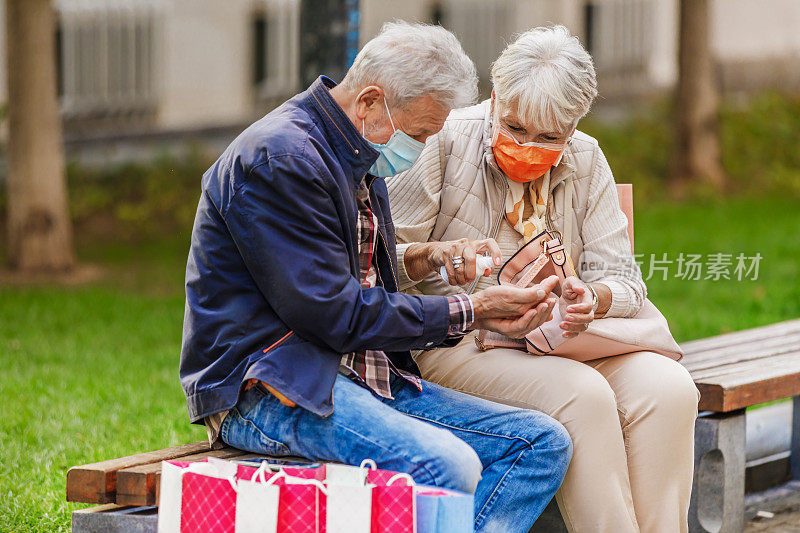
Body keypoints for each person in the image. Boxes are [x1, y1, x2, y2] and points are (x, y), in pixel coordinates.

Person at [180, 22, 573, 532]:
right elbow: (334, 314)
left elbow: (352, 276)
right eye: (421, 134)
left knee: (542, 444)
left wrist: (426, 257)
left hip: (359, 375)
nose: (422, 147)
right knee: (448, 465)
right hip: (270, 389)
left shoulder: (354, 149)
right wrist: (474, 310)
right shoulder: (282, 160)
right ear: (370, 102)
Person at [387, 25, 700, 533]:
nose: (528, 146)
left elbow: (623, 278)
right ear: (495, 98)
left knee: (670, 389)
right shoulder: (443, 141)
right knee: (585, 396)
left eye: (549, 137)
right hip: (456, 342)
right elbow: (383, 261)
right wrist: (441, 259)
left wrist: (591, 298)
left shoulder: (585, 157)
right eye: (514, 127)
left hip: (562, 340)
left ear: (573, 127)